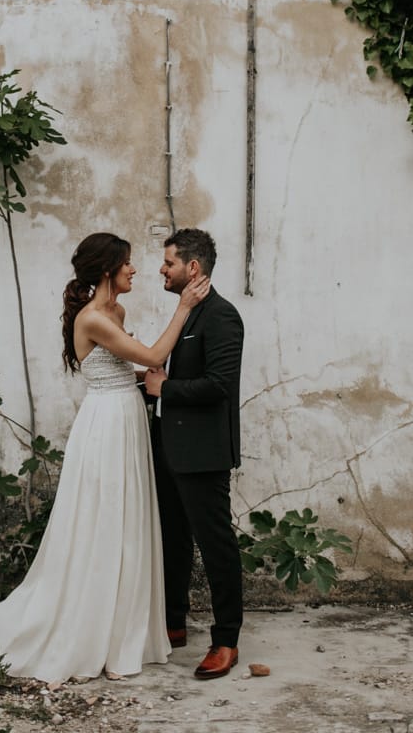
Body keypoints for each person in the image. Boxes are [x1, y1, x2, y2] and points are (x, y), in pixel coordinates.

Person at [0, 231, 210, 684]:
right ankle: (88, 631)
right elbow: (154, 353)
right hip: (106, 425)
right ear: (106, 270)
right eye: (128, 263)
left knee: (129, 522)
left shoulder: (116, 310)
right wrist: (184, 308)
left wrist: (143, 376)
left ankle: (121, 628)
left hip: (127, 416)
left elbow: (118, 366)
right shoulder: (94, 317)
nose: (135, 269)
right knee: (103, 521)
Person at [144, 228, 245, 680]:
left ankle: (226, 639)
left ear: (193, 268)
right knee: (173, 539)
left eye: (168, 263)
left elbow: (219, 386)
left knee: (215, 544)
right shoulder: (187, 314)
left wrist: (163, 386)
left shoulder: (222, 316)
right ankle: (174, 621)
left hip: (203, 454)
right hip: (169, 447)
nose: (161, 270)